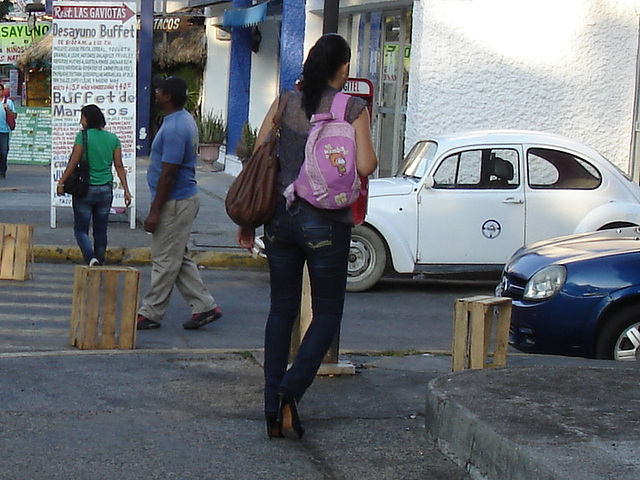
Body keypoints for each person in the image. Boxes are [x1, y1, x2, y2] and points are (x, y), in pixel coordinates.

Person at [237, 34, 378, 440]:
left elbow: (260, 153)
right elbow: (366, 165)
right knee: (327, 312)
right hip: (326, 222)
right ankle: (290, 389)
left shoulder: (285, 102)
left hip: (280, 217)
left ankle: (270, 406)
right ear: (344, 69)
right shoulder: (352, 108)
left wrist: (248, 219)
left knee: (281, 310)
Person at [136, 76, 222, 331]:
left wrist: (154, 212)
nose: (156, 93)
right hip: (180, 199)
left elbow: (169, 173)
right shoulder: (182, 119)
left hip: (174, 201)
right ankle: (204, 306)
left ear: (167, 97)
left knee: (163, 259)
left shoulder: (175, 128)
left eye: (160, 90)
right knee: (177, 257)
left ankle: (151, 312)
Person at [56, 104, 132, 266]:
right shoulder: (113, 138)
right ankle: (100, 260)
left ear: (88, 119)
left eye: (82, 117)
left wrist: (62, 182)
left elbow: (74, 161)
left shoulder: (82, 136)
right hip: (105, 189)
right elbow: (119, 166)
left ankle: (91, 258)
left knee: (81, 230)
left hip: (85, 189)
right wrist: (126, 190)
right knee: (100, 230)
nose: (80, 121)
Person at [0, 84, 16, 179]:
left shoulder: (8, 102)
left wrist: (7, 110)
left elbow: (14, 116)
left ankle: (2, 170)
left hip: (4, 131)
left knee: (4, 152)